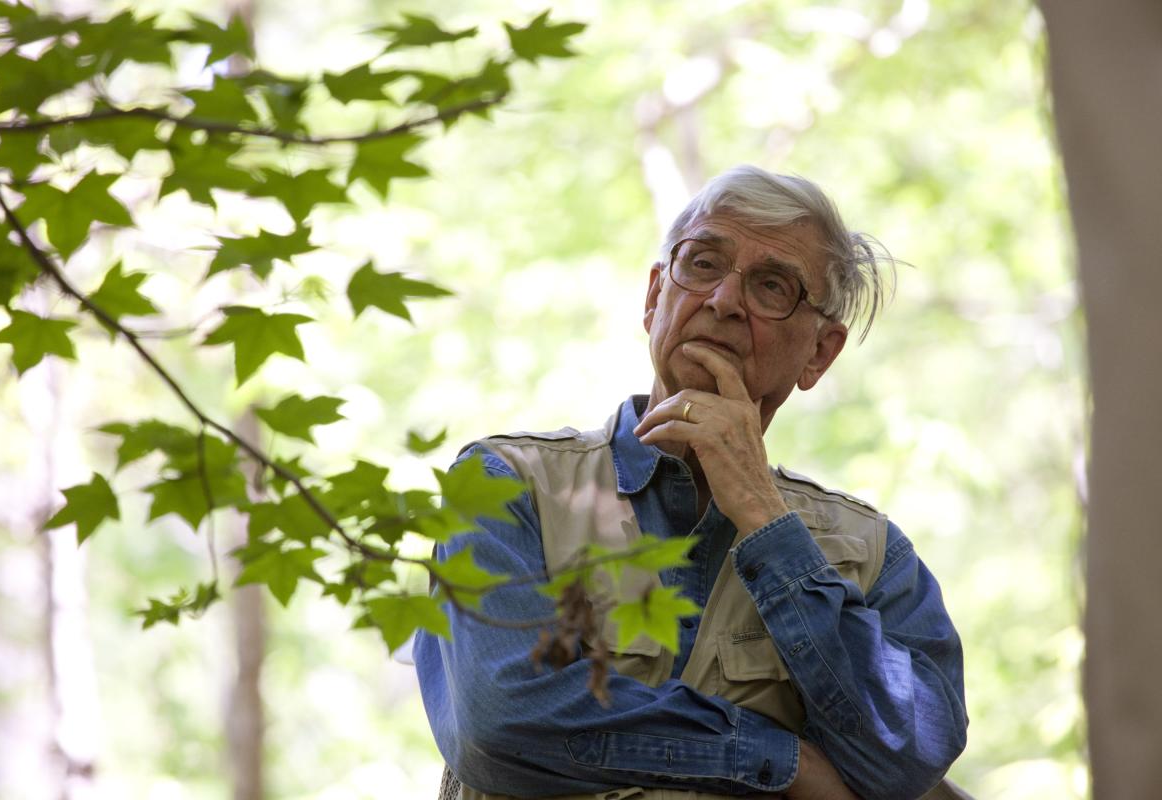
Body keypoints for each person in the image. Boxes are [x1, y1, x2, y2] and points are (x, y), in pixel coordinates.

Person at [414, 166, 968, 800]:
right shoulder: (508, 485)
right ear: (655, 297)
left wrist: (766, 520)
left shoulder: (872, 555)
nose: (724, 300)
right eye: (703, 263)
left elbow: (911, 756)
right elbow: (498, 724)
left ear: (819, 353)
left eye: (771, 285)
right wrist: (784, 763)